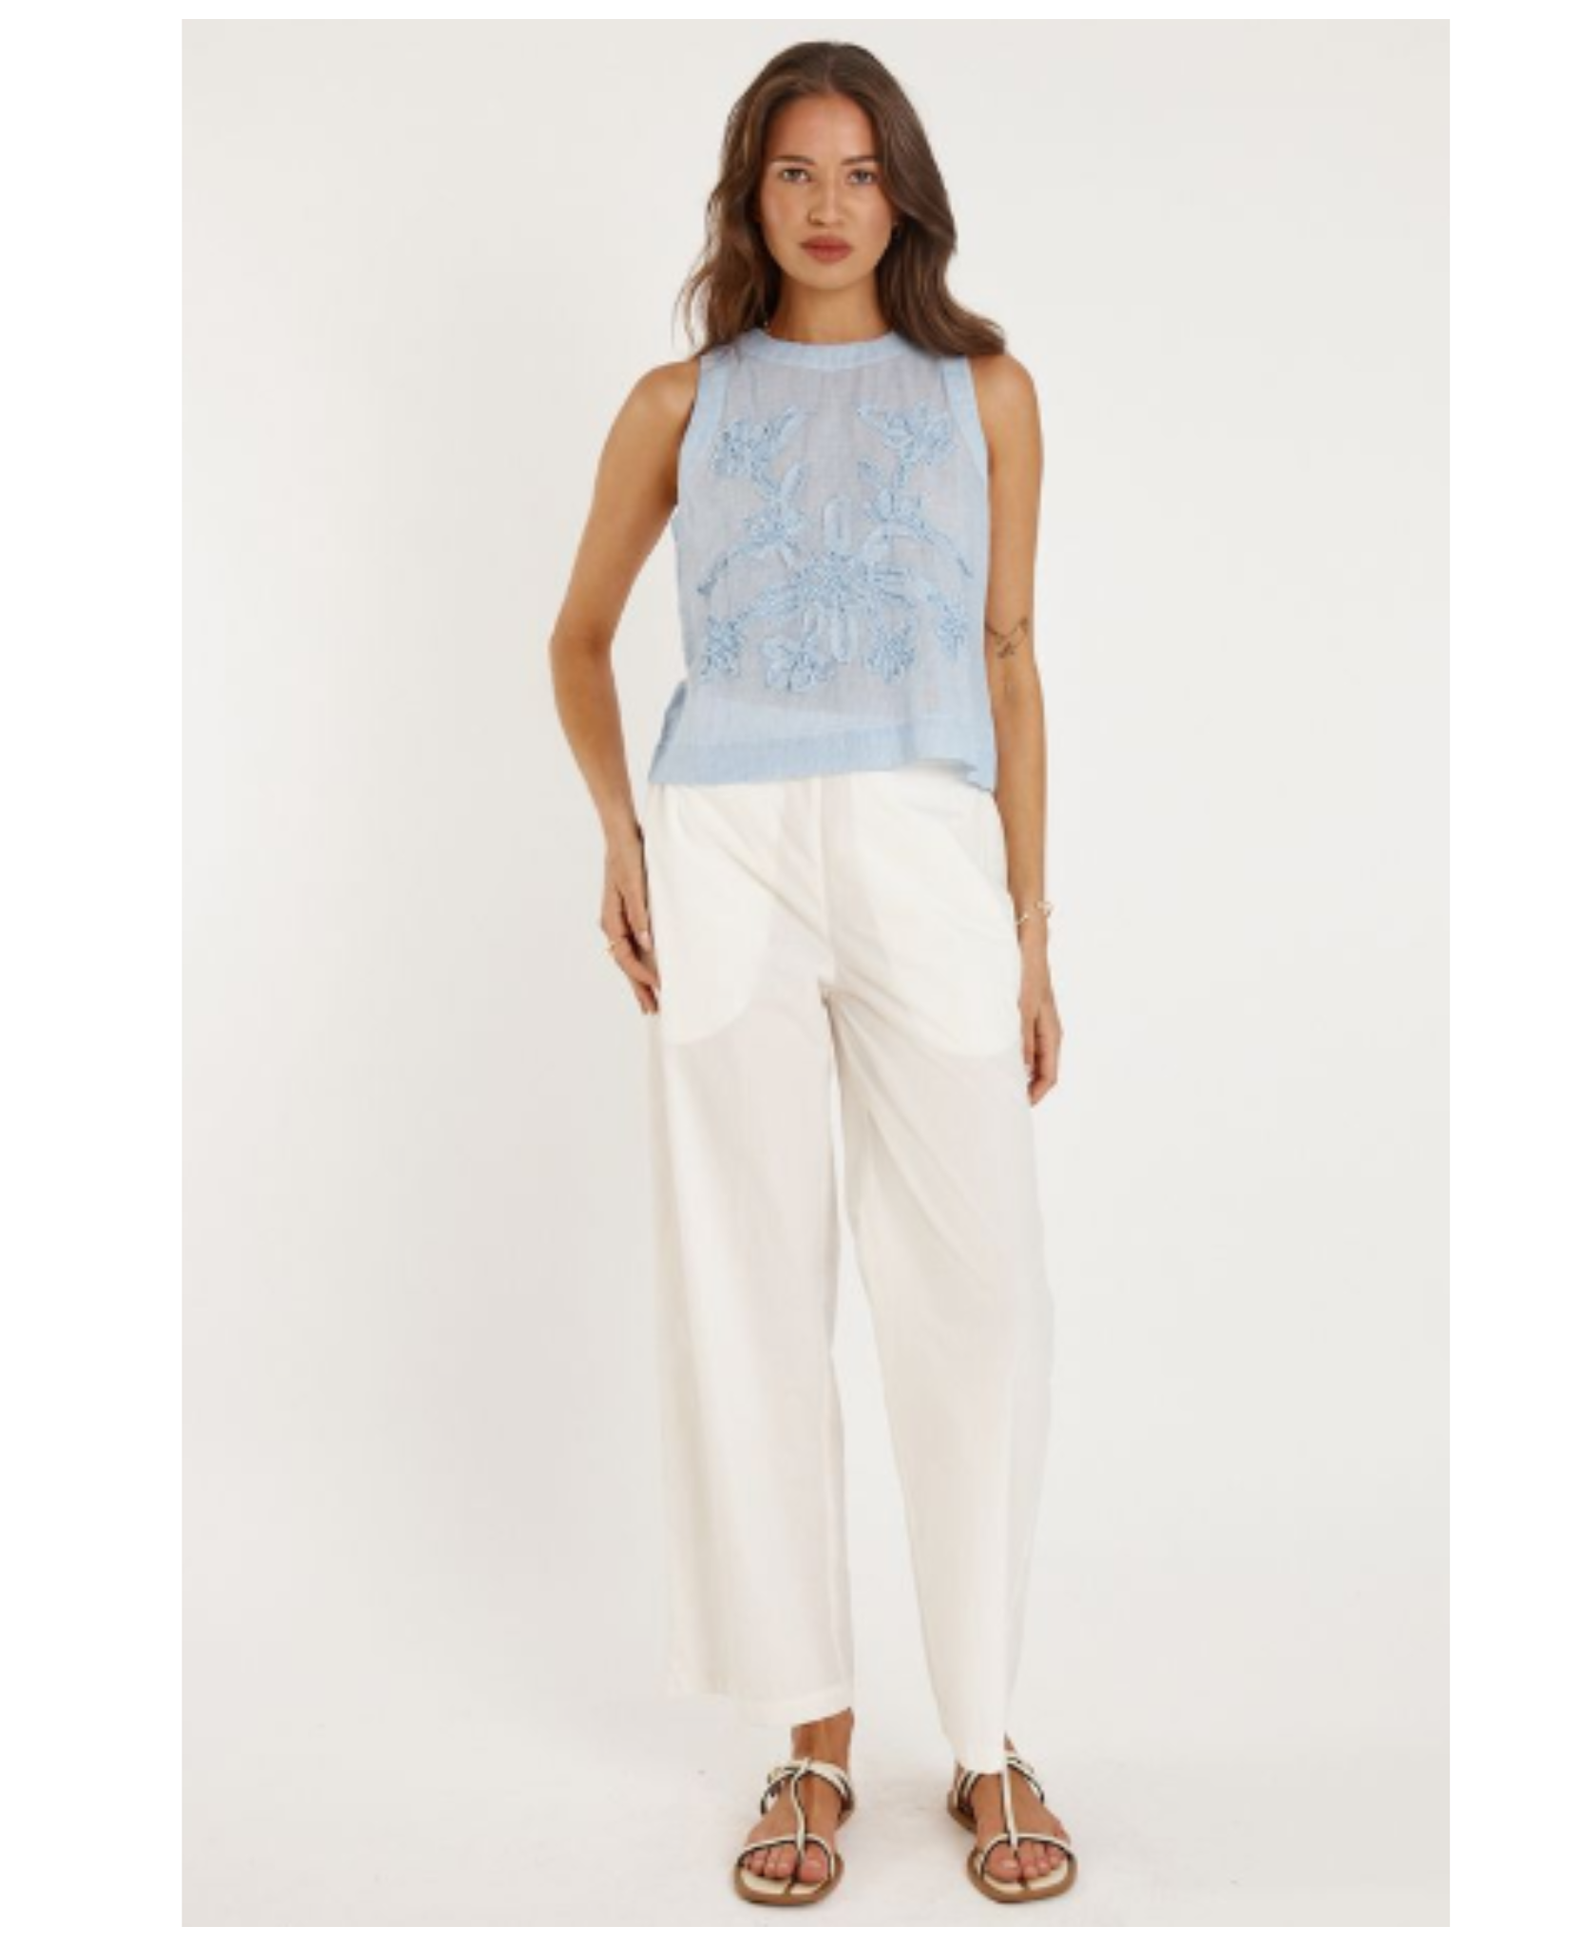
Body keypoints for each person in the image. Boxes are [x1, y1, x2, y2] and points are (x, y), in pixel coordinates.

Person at [549, 39, 1077, 1908]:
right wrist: (621, 835)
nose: (829, 203)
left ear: (903, 191)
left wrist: (1029, 927)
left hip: (928, 850)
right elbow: (579, 637)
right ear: (748, 197)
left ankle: (987, 1734)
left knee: (978, 1297)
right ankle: (812, 1738)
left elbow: (1008, 655)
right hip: (728, 851)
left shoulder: (985, 393)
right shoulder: (676, 402)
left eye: (857, 170)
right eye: (794, 172)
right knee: (747, 1292)